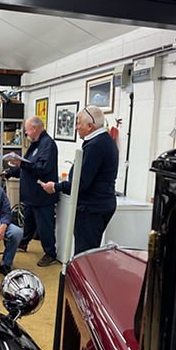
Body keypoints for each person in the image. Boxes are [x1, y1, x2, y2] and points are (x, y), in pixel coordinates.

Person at [41, 105, 118, 255]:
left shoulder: (95, 146)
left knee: (84, 254)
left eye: (78, 124)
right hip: (100, 204)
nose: (76, 128)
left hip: (91, 208)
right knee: (89, 251)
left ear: (90, 126)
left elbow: (80, 183)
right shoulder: (105, 140)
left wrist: (56, 187)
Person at [5, 116, 59, 266]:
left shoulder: (47, 144)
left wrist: (21, 164)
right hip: (30, 195)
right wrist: (9, 172)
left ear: (34, 129)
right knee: (28, 222)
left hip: (41, 196)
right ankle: (23, 243)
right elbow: (26, 167)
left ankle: (50, 254)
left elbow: (42, 169)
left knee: (44, 227)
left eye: (27, 130)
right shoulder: (34, 144)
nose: (26, 133)